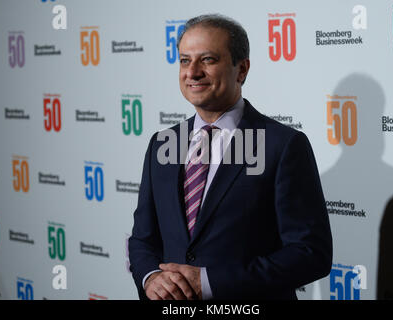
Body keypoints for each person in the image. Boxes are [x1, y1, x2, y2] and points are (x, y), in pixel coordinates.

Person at [128, 13, 332, 300]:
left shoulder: (282, 145)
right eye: (185, 60)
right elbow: (142, 239)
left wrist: (210, 282)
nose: (193, 72)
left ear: (242, 69)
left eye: (208, 60)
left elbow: (310, 253)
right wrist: (151, 277)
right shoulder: (162, 143)